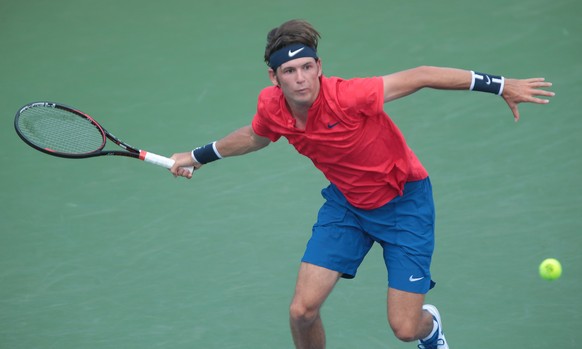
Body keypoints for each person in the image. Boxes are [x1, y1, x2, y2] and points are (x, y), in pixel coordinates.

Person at [169, 19, 554, 349]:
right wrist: (196, 157)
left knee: (405, 329)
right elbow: (255, 136)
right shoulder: (272, 107)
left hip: (405, 205)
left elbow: (420, 76)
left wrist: (500, 85)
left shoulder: (349, 97)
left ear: (319, 66)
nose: (300, 79)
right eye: (289, 72)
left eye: (306, 67)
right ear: (274, 77)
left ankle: (431, 327)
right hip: (347, 206)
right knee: (301, 311)